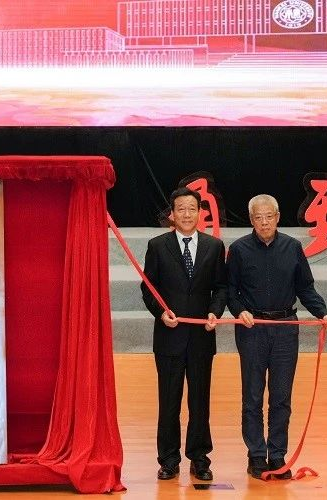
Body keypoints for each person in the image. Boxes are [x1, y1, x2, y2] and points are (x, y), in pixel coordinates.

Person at [227, 194, 327, 480]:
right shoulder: (238, 250)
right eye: (258, 217)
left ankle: (277, 454)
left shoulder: (292, 247)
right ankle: (256, 455)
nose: (264, 222)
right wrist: (240, 311)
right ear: (251, 220)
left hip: (286, 329)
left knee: (281, 396)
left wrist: (322, 313)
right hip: (252, 329)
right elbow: (230, 290)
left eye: (269, 216)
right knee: (252, 396)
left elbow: (305, 288)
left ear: (277, 217)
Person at [141, 187, 227, 482]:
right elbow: (148, 288)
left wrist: (215, 311)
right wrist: (160, 312)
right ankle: (168, 459)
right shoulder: (157, 245)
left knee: (200, 401)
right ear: (172, 214)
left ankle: (199, 458)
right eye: (181, 209)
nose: (187, 214)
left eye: (192, 208)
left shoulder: (214, 246)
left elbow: (221, 288)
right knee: (169, 401)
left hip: (202, 336)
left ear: (200, 212)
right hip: (169, 337)